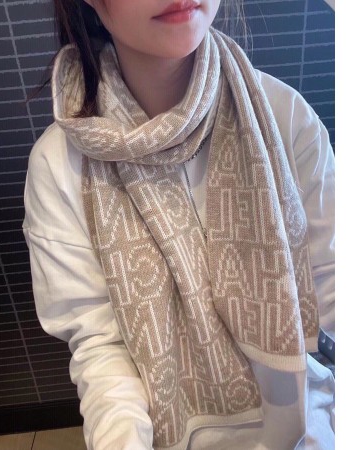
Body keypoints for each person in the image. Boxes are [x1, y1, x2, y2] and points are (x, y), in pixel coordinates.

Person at [23, 0, 335, 449]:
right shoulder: (59, 165)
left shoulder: (284, 118)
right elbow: (102, 354)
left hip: (306, 429)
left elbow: (334, 300)